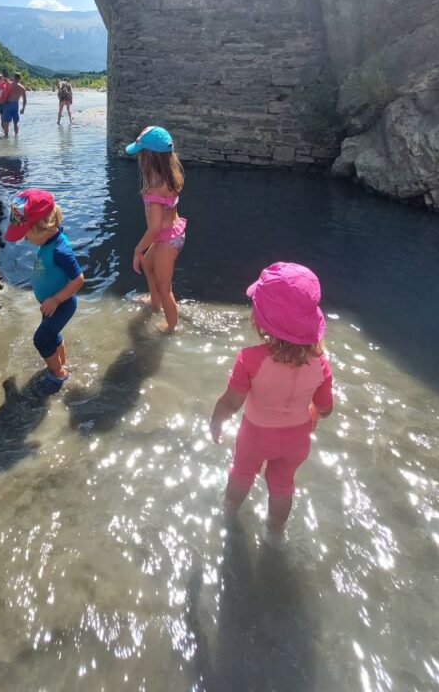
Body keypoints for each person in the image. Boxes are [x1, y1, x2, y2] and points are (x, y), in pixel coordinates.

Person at [210, 262, 334, 546]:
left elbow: (231, 401)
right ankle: (275, 532)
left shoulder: (250, 359)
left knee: (242, 474)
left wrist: (217, 420)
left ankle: (228, 512)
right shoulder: (321, 365)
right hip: (297, 439)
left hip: (256, 435)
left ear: (262, 319)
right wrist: (312, 415)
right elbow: (325, 408)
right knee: (282, 486)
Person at [4, 189, 84, 395]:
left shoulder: (60, 251)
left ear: (44, 227)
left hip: (61, 304)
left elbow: (78, 279)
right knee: (51, 335)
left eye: (26, 234)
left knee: (40, 339)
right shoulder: (48, 241)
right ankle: (61, 363)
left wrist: (56, 300)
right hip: (50, 304)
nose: (24, 239)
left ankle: (59, 374)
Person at [125, 126, 186, 333]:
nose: (139, 158)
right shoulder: (169, 174)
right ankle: (154, 302)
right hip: (171, 234)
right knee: (147, 265)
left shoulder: (155, 187)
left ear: (149, 157)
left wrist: (137, 249)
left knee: (165, 287)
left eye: (141, 154)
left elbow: (155, 227)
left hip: (166, 240)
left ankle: (171, 326)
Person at [2, 72, 27, 137]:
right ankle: (16, 137)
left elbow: (2, 88)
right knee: (16, 123)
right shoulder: (22, 88)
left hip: (8, 104)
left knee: (6, 122)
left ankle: (6, 136)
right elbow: (24, 100)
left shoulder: (9, 84)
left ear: (14, 77)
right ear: (20, 78)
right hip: (16, 105)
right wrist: (23, 109)